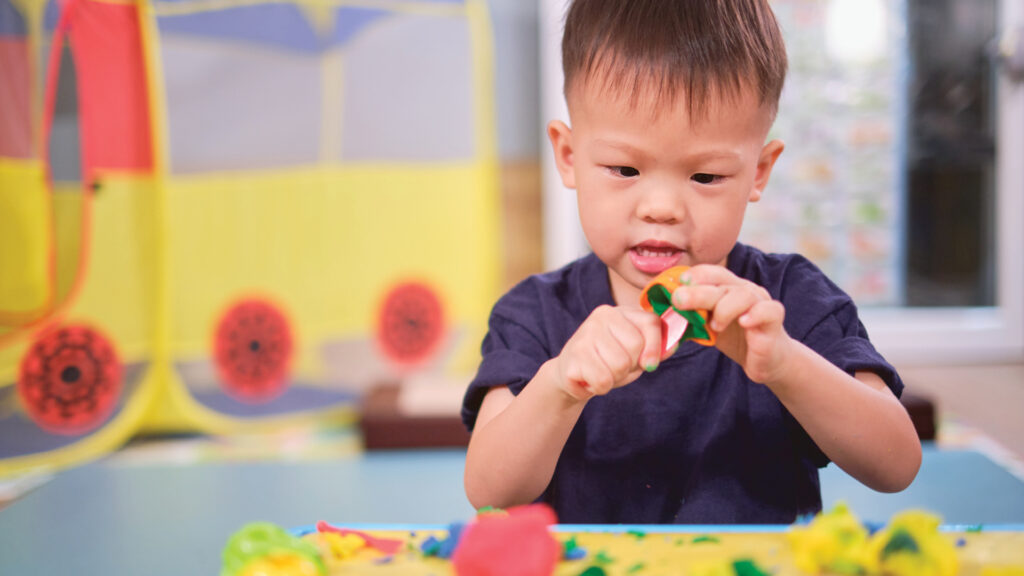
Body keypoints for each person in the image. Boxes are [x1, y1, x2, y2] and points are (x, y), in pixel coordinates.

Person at [462, 0, 922, 524]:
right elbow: (489, 491)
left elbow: (897, 465)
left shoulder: (789, 300)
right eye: (624, 168)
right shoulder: (534, 314)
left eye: (705, 177)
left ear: (759, 171)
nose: (661, 208)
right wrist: (560, 385)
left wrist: (785, 364)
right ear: (568, 156)